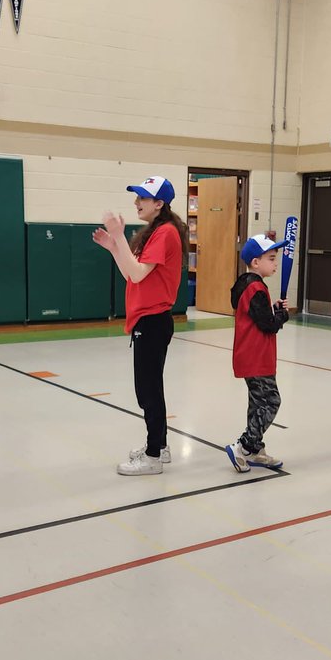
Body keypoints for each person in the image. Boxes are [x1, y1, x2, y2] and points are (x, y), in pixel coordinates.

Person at [93, 177, 188, 476]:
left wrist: (119, 237)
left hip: (154, 320)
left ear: (159, 203)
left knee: (148, 390)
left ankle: (153, 455)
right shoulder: (156, 232)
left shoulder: (166, 233)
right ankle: (160, 446)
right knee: (147, 389)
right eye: (136, 197)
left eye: (142, 198)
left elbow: (135, 274)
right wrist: (114, 247)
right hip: (146, 319)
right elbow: (132, 275)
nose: (136, 203)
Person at [226, 234, 289, 472]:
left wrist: (273, 311)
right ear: (255, 262)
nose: (275, 263)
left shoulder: (249, 285)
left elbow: (259, 317)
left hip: (252, 355)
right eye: (271, 259)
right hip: (256, 357)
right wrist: (281, 316)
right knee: (271, 401)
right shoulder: (255, 288)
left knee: (257, 404)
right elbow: (268, 324)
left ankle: (255, 449)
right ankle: (243, 446)